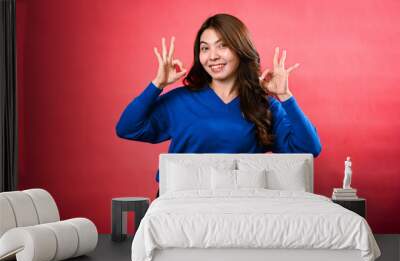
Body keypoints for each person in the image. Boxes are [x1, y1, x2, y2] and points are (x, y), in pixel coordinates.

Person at [116, 13, 322, 197]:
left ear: (241, 49)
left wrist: (285, 96)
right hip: (181, 202)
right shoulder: (179, 100)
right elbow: (127, 128)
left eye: (222, 45)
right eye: (205, 48)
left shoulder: (265, 105)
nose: (212, 56)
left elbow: (309, 148)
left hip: (240, 205)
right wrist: (157, 84)